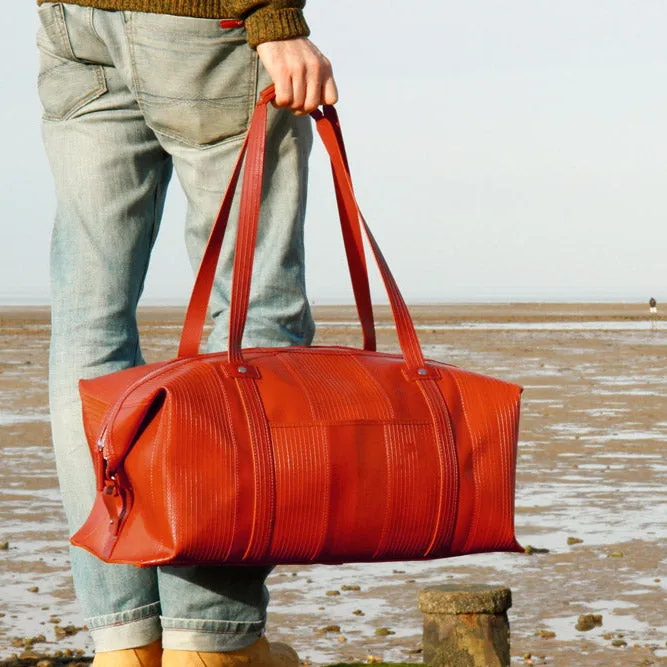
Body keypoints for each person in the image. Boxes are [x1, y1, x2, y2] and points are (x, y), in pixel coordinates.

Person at [36, 1, 337, 665]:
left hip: (72, 22)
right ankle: (210, 641)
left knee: (90, 328)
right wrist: (272, 14)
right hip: (204, 22)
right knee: (254, 320)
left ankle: (123, 642)